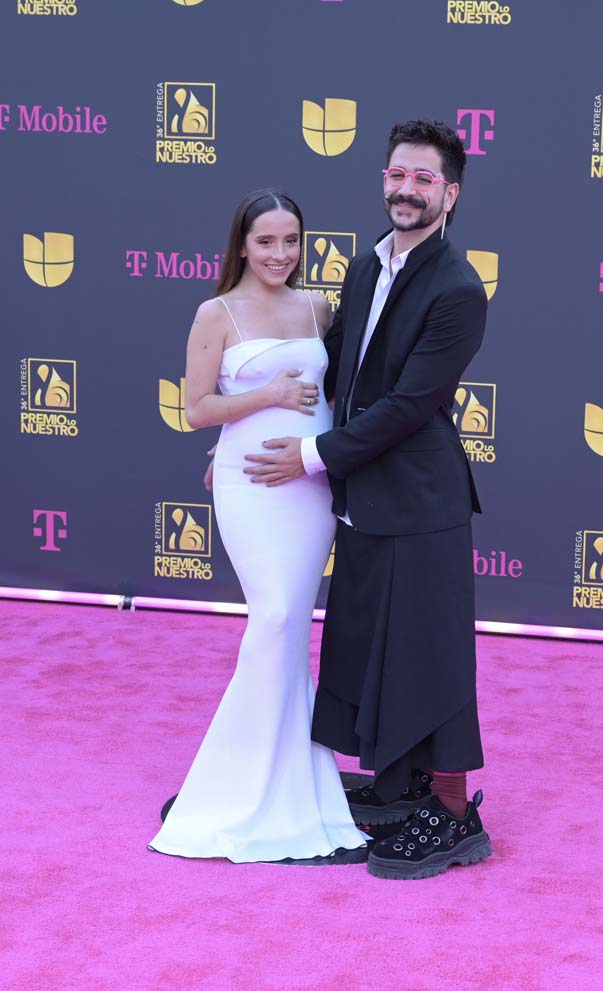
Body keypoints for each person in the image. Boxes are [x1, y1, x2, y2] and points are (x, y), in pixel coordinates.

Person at [243, 120, 493, 879]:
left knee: (429, 654)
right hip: (363, 495)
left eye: (423, 178)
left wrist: (313, 456)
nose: (405, 189)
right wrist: (239, 434)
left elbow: (412, 401)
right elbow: (336, 374)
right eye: (396, 174)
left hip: (420, 497)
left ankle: (452, 811)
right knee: (374, 643)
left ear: (449, 193)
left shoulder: (457, 287)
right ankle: (400, 782)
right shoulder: (362, 268)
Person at [149, 190, 368, 864]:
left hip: (309, 486)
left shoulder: (318, 306)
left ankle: (294, 782)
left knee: (291, 625)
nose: (281, 254)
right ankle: (237, 786)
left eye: (292, 240)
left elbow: (340, 393)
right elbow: (196, 407)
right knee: (273, 618)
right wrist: (264, 401)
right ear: (242, 244)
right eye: (267, 241)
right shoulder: (215, 312)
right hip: (250, 486)